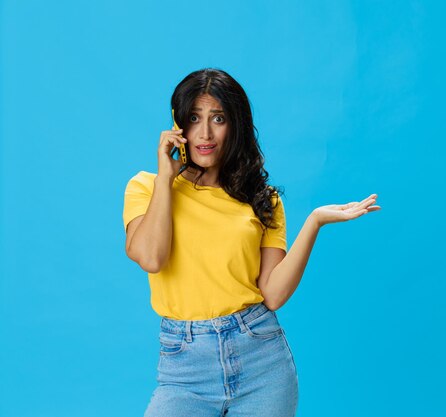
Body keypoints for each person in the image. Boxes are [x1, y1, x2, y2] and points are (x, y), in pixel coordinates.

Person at [122, 68, 381, 417]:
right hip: (185, 368)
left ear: (236, 125)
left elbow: (272, 294)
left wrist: (315, 221)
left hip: (261, 358)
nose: (205, 132)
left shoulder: (262, 199)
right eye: (194, 118)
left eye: (218, 118)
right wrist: (167, 179)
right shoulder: (146, 187)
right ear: (178, 124)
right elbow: (151, 258)